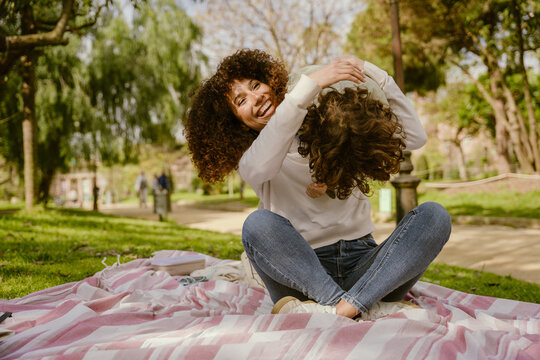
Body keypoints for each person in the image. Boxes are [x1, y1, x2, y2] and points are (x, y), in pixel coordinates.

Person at [183, 49, 451, 320]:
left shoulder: (335, 122)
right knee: (257, 225)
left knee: (434, 216)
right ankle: (358, 306)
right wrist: (310, 84)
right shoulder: (252, 159)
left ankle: (342, 309)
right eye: (241, 100)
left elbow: (414, 138)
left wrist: (377, 75)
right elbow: (268, 154)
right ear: (235, 122)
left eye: (256, 85)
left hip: (365, 266)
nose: (256, 97)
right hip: (299, 276)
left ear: (270, 82)